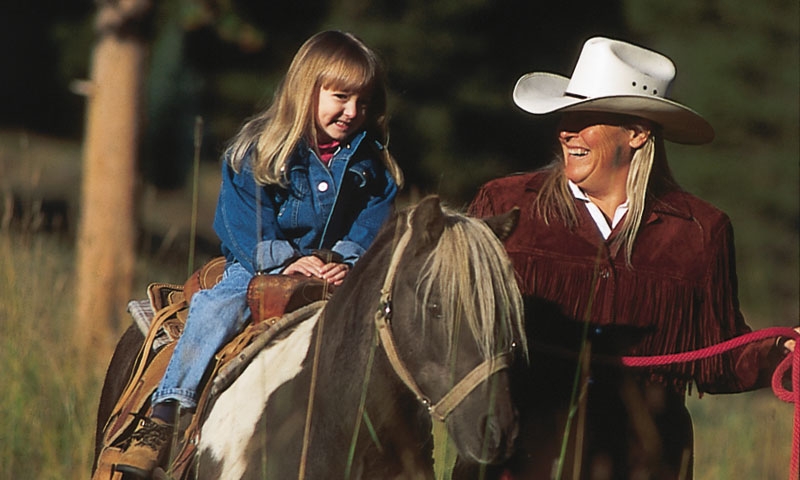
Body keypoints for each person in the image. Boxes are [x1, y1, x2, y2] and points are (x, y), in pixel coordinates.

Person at [468, 37, 797, 479]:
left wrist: (785, 353)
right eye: (567, 117)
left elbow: (717, 360)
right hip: (519, 458)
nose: (567, 131)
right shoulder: (504, 206)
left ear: (638, 133)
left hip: (644, 462)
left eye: (587, 120)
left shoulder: (701, 231)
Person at [115, 30, 403, 477]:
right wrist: (284, 260)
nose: (352, 112)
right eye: (340, 97)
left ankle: (395, 441)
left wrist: (345, 259)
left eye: (363, 102)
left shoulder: (370, 163)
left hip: (336, 272)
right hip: (257, 268)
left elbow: (372, 220)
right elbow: (245, 221)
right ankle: (162, 417)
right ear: (306, 90)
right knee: (216, 309)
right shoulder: (258, 151)